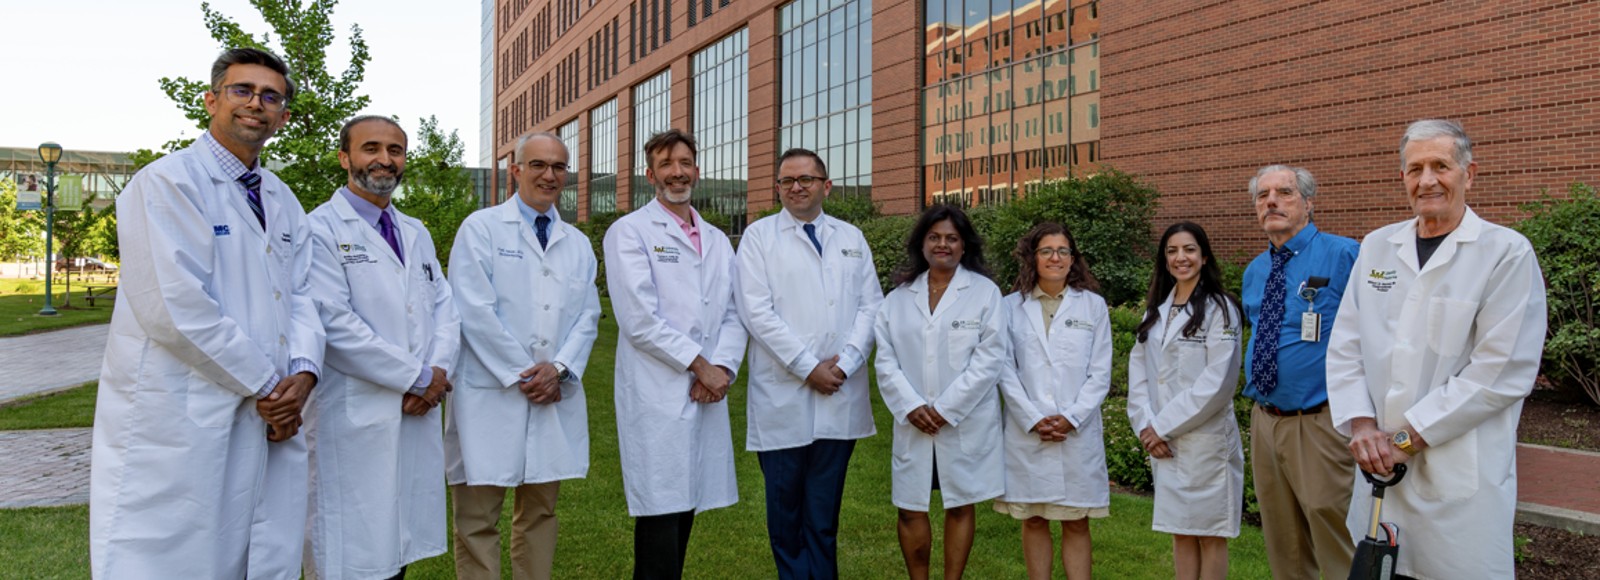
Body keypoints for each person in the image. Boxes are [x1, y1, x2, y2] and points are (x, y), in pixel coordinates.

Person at [90, 47, 324, 579]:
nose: (256, 104)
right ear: (211, 99)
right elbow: (173, 308)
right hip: (185, 413)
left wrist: (305, 371)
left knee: (259, 554)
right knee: (177, 558)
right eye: (242, 91)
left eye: (271, 97)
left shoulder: (283, 199)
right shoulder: (167, 183)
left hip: (270, 411)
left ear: (283, 117)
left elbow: (306, 295)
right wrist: (270, 386)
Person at [1327, 119, 1547, 580]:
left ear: (1470, 173)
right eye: (1415, 169)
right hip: (1381, 481)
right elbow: (1346, 347)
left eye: (1441, 166)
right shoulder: (1376, 248)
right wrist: (1364, 426)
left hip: (1457, 488)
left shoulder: (1505, 253)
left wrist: (1406, 440)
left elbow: (1499, 371)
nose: (1427, 180)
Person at [303, 115, 461, 580]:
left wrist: (436, 372)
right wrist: (417, 377)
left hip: (415, 408)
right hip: (354, 414)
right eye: (371, 148)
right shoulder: (320, 230)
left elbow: (445, 310)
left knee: (396, 544)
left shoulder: (416, 231)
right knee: (348, 551)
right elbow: (334, 323)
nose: (384, 160)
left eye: (395, 150)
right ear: (344, 157)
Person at [445, 131, 602, 580]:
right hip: (491, 393)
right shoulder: (481, 229)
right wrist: (524, 374)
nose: (549, 175)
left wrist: (559, 370)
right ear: (515, 170)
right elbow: (473, 310)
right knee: (478, 520)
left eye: (558, 167)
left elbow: (587, 317)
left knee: (540, 515)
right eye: (538, 165)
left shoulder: (576, 244)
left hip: (553, 392)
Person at [603, 128, 748, 580]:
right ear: (650, 175)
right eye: (666, 164)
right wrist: (701, 366)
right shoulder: (629, 232)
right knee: (660, 510)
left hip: (704, 387)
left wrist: (721, 367)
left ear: (697, 172)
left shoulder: (718, 240)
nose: (677, 172)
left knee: (686, 506)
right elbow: (639, 319)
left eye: (684, 163)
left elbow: (733, 312)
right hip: (658, 389)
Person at [734, 148, 883, 579]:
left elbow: (871, 307)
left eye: (806, 179)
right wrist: (808, 367)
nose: (796, 187)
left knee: (823, 514)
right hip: (783, 396)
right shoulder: (759, 238)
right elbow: (756, 313)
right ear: (778, 188)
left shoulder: (851, 238)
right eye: (786, 181)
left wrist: (848, 362)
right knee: (786, 517)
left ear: (826, 185)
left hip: (840, 392)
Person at [1239, 165, 1360, 580]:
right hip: (1265, 421)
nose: (1271, 201)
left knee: (1335, 533)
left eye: (1284, 192)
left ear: (1308, 203)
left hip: (1320, 421)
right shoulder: (1255, 270)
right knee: (1283, 542)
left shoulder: (1345, 255)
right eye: (1262, 195)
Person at [874, 204, 1006, 580]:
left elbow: (989, 359)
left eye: (951, 238)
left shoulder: (984, 293)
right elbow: (885, 360)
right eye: (934, 237)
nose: (943, 244)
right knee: (910, 507)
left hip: (960, 422)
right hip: (914, 421)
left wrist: (947, 409)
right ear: (922, 243)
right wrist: (911, 405)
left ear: (965, 246)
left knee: (960, 504)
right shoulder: (898, 298)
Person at [1126, 221, 1244, 580]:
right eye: (1172, 251)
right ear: (1164, 260)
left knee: (1209, 535)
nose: (1181, 258)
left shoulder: (1222, 310)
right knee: (1180, 531)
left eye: (1189, 249)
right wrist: (1146, 427)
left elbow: (1217, 383)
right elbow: (1140, 376)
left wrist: (1161, 427)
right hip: (1163, 442)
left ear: (1204, 256)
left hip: (1204, 443)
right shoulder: (1155, 314)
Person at [994, 222, 1111, 580]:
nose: (1055, 257)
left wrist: (1072, 418)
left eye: (1063, 251)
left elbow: (1100, 372)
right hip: (1027, 431)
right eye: (1046, 251)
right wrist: (1033, 418)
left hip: (1076, 433)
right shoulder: (1010, 306)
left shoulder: (1092, 306)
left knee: (1076, 522)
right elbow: (1003, 369)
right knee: (1033, 518)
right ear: (1033, 257)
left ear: (1073, 259)